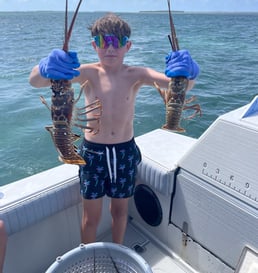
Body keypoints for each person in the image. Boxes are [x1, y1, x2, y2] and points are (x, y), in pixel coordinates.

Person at [29, 13, 199, 244]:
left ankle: (118, 252)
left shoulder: (137, 74)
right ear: (94, 45)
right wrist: (44, 67)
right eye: (103, 42)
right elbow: (36, 81)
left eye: (117, 42)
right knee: (90, 217)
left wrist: (190, 72)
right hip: (92, 154)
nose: (110, 48)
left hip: (124, 152)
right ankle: (89, 259)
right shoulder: (86, 72)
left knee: (120, 213)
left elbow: (178, 86)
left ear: (127, 45)